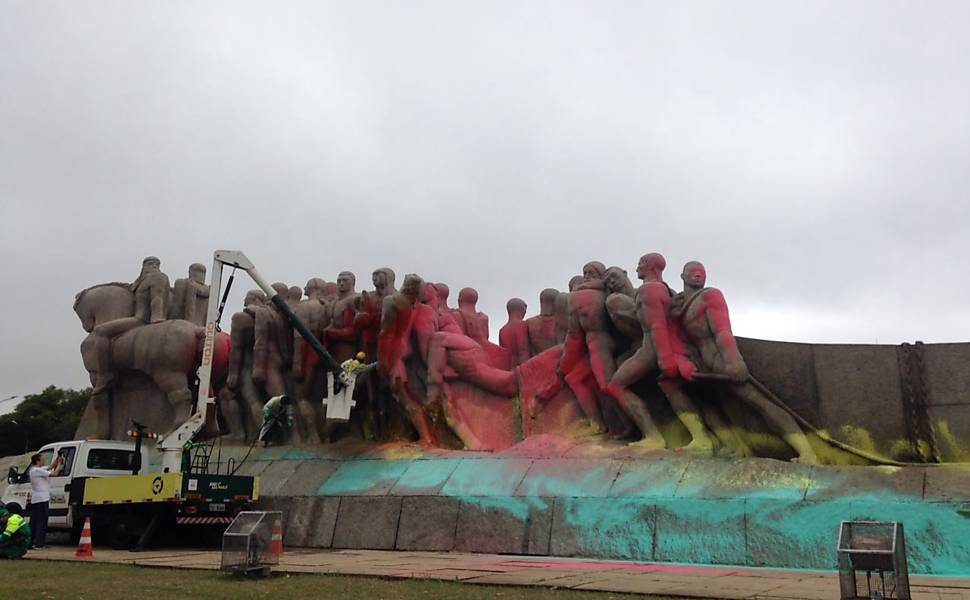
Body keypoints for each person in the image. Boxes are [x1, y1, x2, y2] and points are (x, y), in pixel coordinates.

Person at [27, 451, 61, 549]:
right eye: (42, 459)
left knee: (34, 522)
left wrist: (58, 458)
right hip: (41, 499)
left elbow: (51, 466)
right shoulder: (36, 471)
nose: (44, 461)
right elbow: (54, 473)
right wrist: (59, 464)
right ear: (37, 461)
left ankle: (30, 543)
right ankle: (39, 544)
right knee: (41, 522)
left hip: (37, 499)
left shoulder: (37, 470)